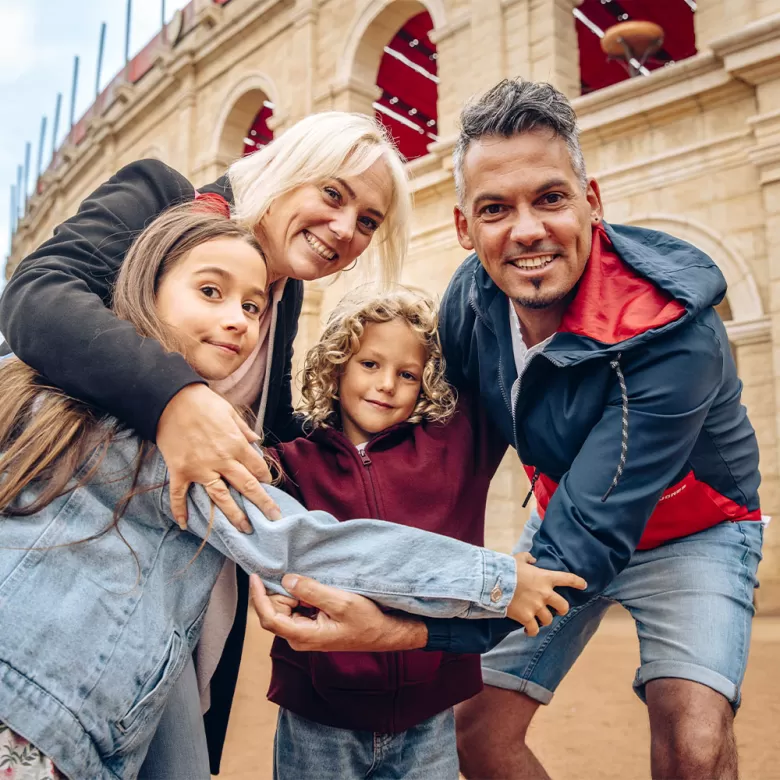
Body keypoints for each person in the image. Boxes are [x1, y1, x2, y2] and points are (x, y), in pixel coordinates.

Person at [254, 80, 763, 780]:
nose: (526, 230)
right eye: (496, 209)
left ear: (592, 200)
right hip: (565, 517)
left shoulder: (676, 337)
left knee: (694, 744)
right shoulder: (471, 299)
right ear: (466, 228)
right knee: (478, 732)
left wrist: (407, 632)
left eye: (550, 198)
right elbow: (428, 449)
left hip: (692, 533)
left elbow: (588, 538)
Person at [0, 204, 537, 780]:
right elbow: (299, 545)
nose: (238, 320)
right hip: (59, 723)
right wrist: (495, 580)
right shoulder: (217, 451)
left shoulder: (40, 392)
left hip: (419, 706)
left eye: (254, 306)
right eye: (211, 291)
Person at [0, 110, 413, 776]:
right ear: (286, 173)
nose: (346, 229)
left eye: (368, 220)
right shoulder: (165, 196)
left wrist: (387, 438)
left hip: (178, 591)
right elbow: (36, 295)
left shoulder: (281, 298)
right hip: (63, 559)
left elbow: (267, 437)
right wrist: (176, 399)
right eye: (333, 194)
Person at [264, 288, 585, 780]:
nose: (387, 384)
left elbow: (495, 333)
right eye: (369, 364)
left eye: (408, 374)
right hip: (318, 718)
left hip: (430, 716)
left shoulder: (457, 443)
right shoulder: (292, 461)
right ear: (337, 366)